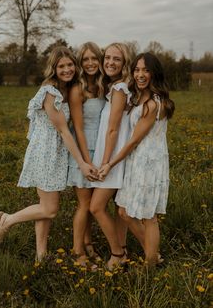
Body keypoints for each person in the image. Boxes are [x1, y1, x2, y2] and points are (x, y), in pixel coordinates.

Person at [0, 46, 96, 261]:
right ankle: (7, 220)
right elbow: (64, 131)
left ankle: (41, 255)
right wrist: (82, 163)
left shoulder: (67, 89)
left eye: (69, 65)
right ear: (53, 69)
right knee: (50, 209)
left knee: (45, 205)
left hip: (56, 152)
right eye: (61, 66)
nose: (67, 69)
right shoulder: (51, 91)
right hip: (45, 152)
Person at [98, 52, 175, 266]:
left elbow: (133, 141)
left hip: (148, 164)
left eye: (146, 70)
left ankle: (150, 265)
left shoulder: (152, 104)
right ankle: (154, 255)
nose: (140, 74)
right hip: (136, 162)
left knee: (148, 217)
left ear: (154, 73)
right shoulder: (139, 97)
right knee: (123, 211)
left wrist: (109, 164)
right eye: (137, 70)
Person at [89, 42, 132, 270]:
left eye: (116, 59)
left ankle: (117, 254)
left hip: (112, 159)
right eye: (107, 57)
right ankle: (122, 248)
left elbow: (113, 129)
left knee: (96, 207)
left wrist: (106, 163)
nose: (110, 62)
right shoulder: (115, 88)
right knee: (118, 208)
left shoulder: (119, 89)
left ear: (124, 63)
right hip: (113, 156)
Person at [67, 42, 105, 266]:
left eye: (94, 58)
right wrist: (87, 161)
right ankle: (77, 252)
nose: (90, 63)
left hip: (100, 148)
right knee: (84, 204)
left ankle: (89, 243)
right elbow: (78, 128)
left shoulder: (102, 87)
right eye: (85, 59)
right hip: (83, 151)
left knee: (93, 202)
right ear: (81, 63)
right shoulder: (77, 89)